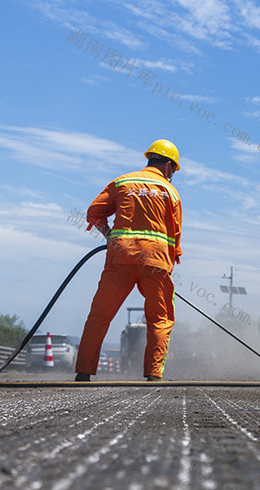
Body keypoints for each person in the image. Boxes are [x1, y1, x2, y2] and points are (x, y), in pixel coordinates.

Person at [74, 139, 183, 382]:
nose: (172, 174)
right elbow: (175, 236)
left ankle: (83, 371)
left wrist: (109, 234)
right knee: (160, 319)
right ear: (167, 166)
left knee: (99, 316)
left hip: (120, 257)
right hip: (155, 262)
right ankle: (154, 374)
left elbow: (94, 212)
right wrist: (169, 266)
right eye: (173, 170)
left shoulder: (123, 182)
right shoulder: (170, 192)